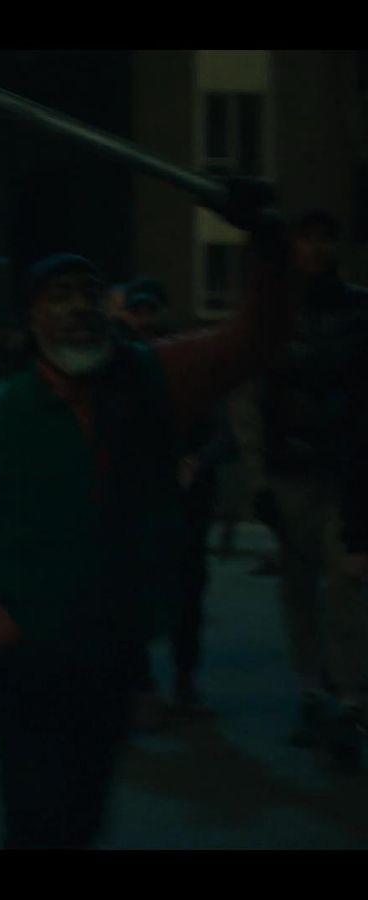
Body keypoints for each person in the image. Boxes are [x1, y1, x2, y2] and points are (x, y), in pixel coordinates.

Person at [0, 187, 289, 847]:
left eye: (90, 292)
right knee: (34, 810)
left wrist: (266, 243)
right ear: (33, 319)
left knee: (84, 806)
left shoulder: (154, 378)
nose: (79, 307)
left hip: (108, 647)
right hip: (21, 655)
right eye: (60, 296)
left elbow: (256, 339)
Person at [228, 209, 368, 768]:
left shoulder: (358, 311)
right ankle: (315, 689)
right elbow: (246, 399)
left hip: (342, 471)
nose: (316, 248)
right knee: (298, 587)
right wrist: (258, 477)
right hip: (290, 471)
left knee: (344, 586)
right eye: (306, 238)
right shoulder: (272, 315)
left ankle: (349, 699)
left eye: (324, 237)